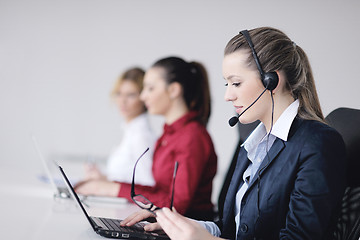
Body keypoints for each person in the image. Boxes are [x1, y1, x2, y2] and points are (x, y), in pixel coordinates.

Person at [120, 27, 347, 239]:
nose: (228, 95)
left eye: (236, 83)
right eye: (226, 84)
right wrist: (178, 224)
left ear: (272, 81)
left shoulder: (318, 143)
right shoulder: (254, 143)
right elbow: (231, 228)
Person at [76, 56, 217, 221]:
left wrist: (111, 189)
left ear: (173, 90)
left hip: (186, 229)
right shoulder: (168, 135)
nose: (143, 97)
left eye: (150, 88)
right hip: (170, 224)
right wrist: (109, 186)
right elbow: (159, 191)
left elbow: (177, 205)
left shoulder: (192, 137)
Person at [77, 67, 157, 194]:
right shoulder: (130, 131)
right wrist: (102, 178)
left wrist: (105, 183)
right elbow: (127, 178)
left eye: (131, 95)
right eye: (119, 93)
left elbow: (147, 185)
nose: (122, 101)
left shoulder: (141, 135)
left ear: (144, 97)